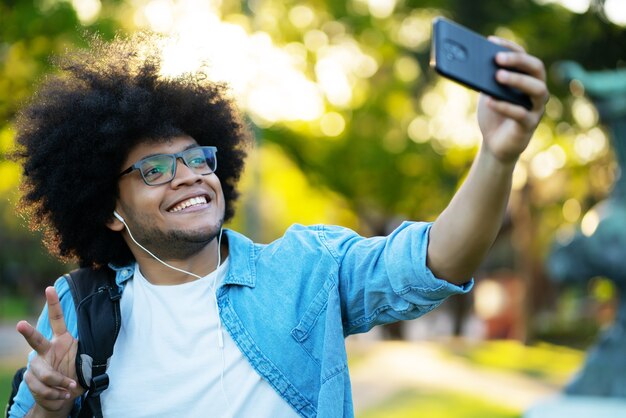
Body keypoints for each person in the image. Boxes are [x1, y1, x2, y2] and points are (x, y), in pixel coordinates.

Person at [8, 29, 548, 418]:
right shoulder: (77, 311)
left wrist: (497, 157)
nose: (189, 177)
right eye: (155, 170)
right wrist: (50, 410)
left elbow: (433, 261)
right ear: (109, 210)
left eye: (198, 159)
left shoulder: (307, 267)